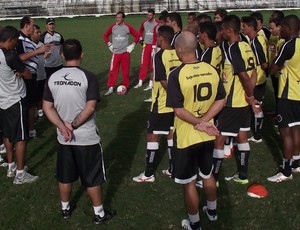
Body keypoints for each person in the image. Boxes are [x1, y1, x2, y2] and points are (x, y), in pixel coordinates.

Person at [43, 38, 114, 223]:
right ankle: (99, 213)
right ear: (82, 54)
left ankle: (65, 208)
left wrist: (62, 127)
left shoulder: (53, 77)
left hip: (63, 138)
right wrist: (72, 126)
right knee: (92, 177)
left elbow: (47, 107)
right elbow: (90, 108)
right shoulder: (88, 77)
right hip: (86, 138)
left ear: (62, 55)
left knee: (65, 175)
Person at [166, 31, 226, 230]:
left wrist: (199, 121)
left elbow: (179, 111)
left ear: (180, 50)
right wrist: (206, 121)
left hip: (186, 137)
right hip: (207, 133)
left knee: (189, 182)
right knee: (207, 175)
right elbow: (221, 99)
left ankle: (194, 223)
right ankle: (213, 211)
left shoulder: (176, 75)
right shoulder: (211, 69)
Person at [132, 25, 181, 182]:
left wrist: (173, 97)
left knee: (152, 135)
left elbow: (163, 80)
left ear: (161, 38)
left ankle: (148, 173)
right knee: (171, 133)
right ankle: (173, 169)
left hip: (162, 103)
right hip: (177, 105)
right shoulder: (179, 53)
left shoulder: (160, 55)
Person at [213, 15, 258, 185]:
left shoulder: (233, 49)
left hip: (233, 103)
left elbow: (244, 76)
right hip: (244, 103)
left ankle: (213, 179)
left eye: (223, 29)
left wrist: (250, 95)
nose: (221, 32)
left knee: (219, 140)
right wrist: (249, 97)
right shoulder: (246, 45)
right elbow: (253, 72)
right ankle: (243, 176)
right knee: (242, 137)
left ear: (230, 30)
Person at [0, 25, 39, 184]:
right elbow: (28, 75)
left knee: (8, 134)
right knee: (21, 138)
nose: (16, 45)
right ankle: (20, 174)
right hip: (16, 99)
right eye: (15, 42)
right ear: (9, 40)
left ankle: (11, 166)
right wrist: (21, 73)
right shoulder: (10, 56)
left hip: (2, 100)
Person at [267, 15, 300, 182]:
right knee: (296, 128)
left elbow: (274, 68)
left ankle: (286, 171)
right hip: (299, 94)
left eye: (283, 27)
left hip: (288, 94)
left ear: (288, 27)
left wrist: (268, 70)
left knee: (285, 132)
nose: (281, 30)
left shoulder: (288, 45)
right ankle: (296, 161)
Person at [17, 16, 51, 138]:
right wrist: (38, 51)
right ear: (26, 26)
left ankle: (29, 128)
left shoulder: (27, 39)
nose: (33, 27)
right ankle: (29, 130)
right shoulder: (20, 39)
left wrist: (42, 50)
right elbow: (20, 57)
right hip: (26, 76)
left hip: (32, 75)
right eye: (32, 25)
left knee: (31, 103)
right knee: (29, 104)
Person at [241, 16, 268, 143]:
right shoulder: (252, 41)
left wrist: (263, 74)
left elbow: (263, 63)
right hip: (256, 80)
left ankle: (258, 135)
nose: (242, 28)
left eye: (244, 26)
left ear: (250, 28)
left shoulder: (255, 43)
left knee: (257, 107)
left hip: (258, 81)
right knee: (255, 106)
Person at [103, 11, 139, 95]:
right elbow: (105, 35)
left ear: (123, 18)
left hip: (125, 53)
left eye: (119, 17)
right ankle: (111, 88)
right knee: (113, 71)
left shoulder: (127, 27)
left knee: (125, 72)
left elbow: (137, 36)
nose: (118, 19)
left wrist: (132, 45)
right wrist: (109, 44)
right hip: (115, 53)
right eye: (117, 17)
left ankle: (125, 87)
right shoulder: (113, 27)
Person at [134, 9, 160, 90]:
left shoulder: (158, 23)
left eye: (150, 15)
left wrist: (156, 45)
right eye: (147, 15)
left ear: (154, 16)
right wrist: (141, 40)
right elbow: (140, 31)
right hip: (146, 46)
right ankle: (140, 82)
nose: (148, 16)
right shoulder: (144, 23)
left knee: (153, 64)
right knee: (143, 64)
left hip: (154, 46)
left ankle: (151, 83)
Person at [31, 24, 47, 118]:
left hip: (42, 73)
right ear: (31, 34)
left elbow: (44, 55)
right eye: (37, 32)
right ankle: (36, 109)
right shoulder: (29, 45)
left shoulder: (41, 44)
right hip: (34, 74)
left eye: (39, 32)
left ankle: (41, 108)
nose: (39, 34)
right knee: (34, 94)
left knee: (42, 92)